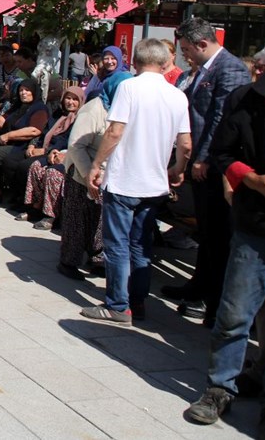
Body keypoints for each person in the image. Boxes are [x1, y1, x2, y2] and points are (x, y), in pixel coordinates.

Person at [184, 37, 265, 434]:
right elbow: (223, 154)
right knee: (234, 316)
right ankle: (219, 389)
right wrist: (253, 180)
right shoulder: (249, 98)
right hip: (258, 226)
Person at [81, 38, 192, 325]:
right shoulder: (177, 95)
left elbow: (115, 131)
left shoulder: (129, 87)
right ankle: (137, 302)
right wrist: (178, 169)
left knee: (117, 244)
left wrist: (96, 164)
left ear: (137, 61)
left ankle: (118, 304)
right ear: (164, 61)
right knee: (141, 245)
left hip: (124, 179)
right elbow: (186, 142)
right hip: (154, 183)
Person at [162, 17, 251, 325]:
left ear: (202, 44)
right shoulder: (203, 70)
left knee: (217, 237)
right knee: (206, 233)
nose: (185, 55)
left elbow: (221, 119)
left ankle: (212, 299)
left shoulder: (231, 69)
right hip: (199, 163)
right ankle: (198, 286)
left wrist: (205, 158)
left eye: (187, 49)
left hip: (213, 166)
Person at [57, 71, 132, 279]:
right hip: (83, 170)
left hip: (108, 174)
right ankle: (69, 261)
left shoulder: (124, 109)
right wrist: (89, 172)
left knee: (99, 218)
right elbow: (76, 145)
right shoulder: (93, 110)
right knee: (77, 218)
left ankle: (97, 257)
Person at [18, 86, 84, 229]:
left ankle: (51, 215)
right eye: (68, 98)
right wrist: (35, 146)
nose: (70, 102)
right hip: (52, 151)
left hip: (71, 155)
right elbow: (45, 133)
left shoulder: (81, 119)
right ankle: (35, 207)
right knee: (36, 166)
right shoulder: (58, 115)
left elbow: (70, 140)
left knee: (53, 173)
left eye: (74, 99)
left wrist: (55, 151)